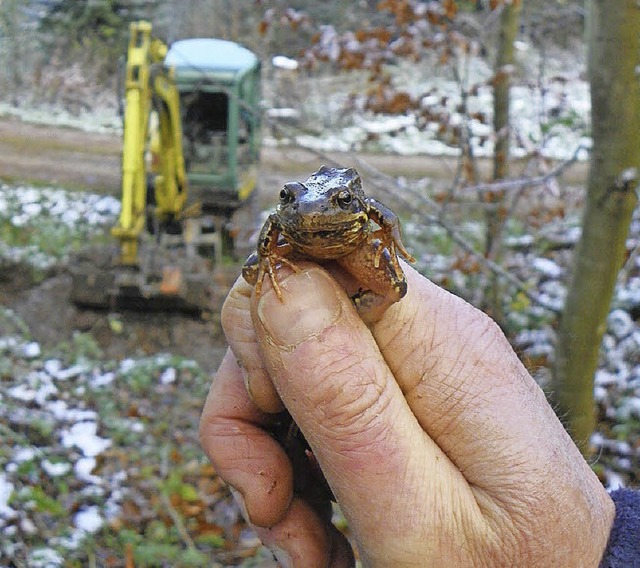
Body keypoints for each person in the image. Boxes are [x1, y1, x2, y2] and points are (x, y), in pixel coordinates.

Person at [200, 260, 639, 567]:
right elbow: (267, 248)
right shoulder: (292, 223)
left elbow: (381, 223)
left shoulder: (357, 218)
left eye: (339, 200)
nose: (317, 210)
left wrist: (592, 552)